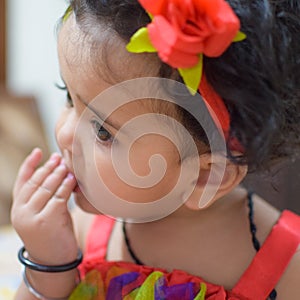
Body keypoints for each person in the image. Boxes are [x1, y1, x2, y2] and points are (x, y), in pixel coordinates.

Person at [11, 0, 300, 299]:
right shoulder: (85, 229)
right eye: (69, 98)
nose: (65, 133)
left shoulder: (287, 264)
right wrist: (47, 263)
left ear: (205, 175)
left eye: (102, 131)